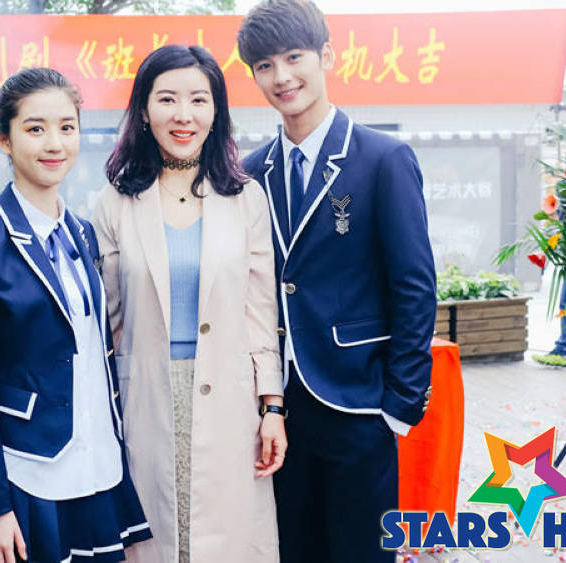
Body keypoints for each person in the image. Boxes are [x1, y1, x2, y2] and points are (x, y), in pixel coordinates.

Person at [237, 1, 437, 561]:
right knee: (290, 549)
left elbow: (415, 286)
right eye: (264, 66)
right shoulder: (250, 173)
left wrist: (398, 405)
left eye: (294, 58)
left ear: (326, 56)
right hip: (277, 412)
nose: (281, 77)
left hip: (358, 402)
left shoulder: (382, 159)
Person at [0, 67, 152, 563]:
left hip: (95, 465)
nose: (54, 143)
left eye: (66, 127)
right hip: (28, 472)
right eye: (35, 128)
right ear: (4, 139)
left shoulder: (82, 233)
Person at [93, 45, 286, 563]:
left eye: (199, 100)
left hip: (229, 399)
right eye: (167, 99)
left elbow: (260, 313)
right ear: (143, 110)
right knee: (154, 541)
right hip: (145, 399)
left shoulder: (245, 198)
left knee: (228, 540)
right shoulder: (114, 202)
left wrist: (272, 407)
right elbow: (109, 323)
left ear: (216, 111)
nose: (184, 114)